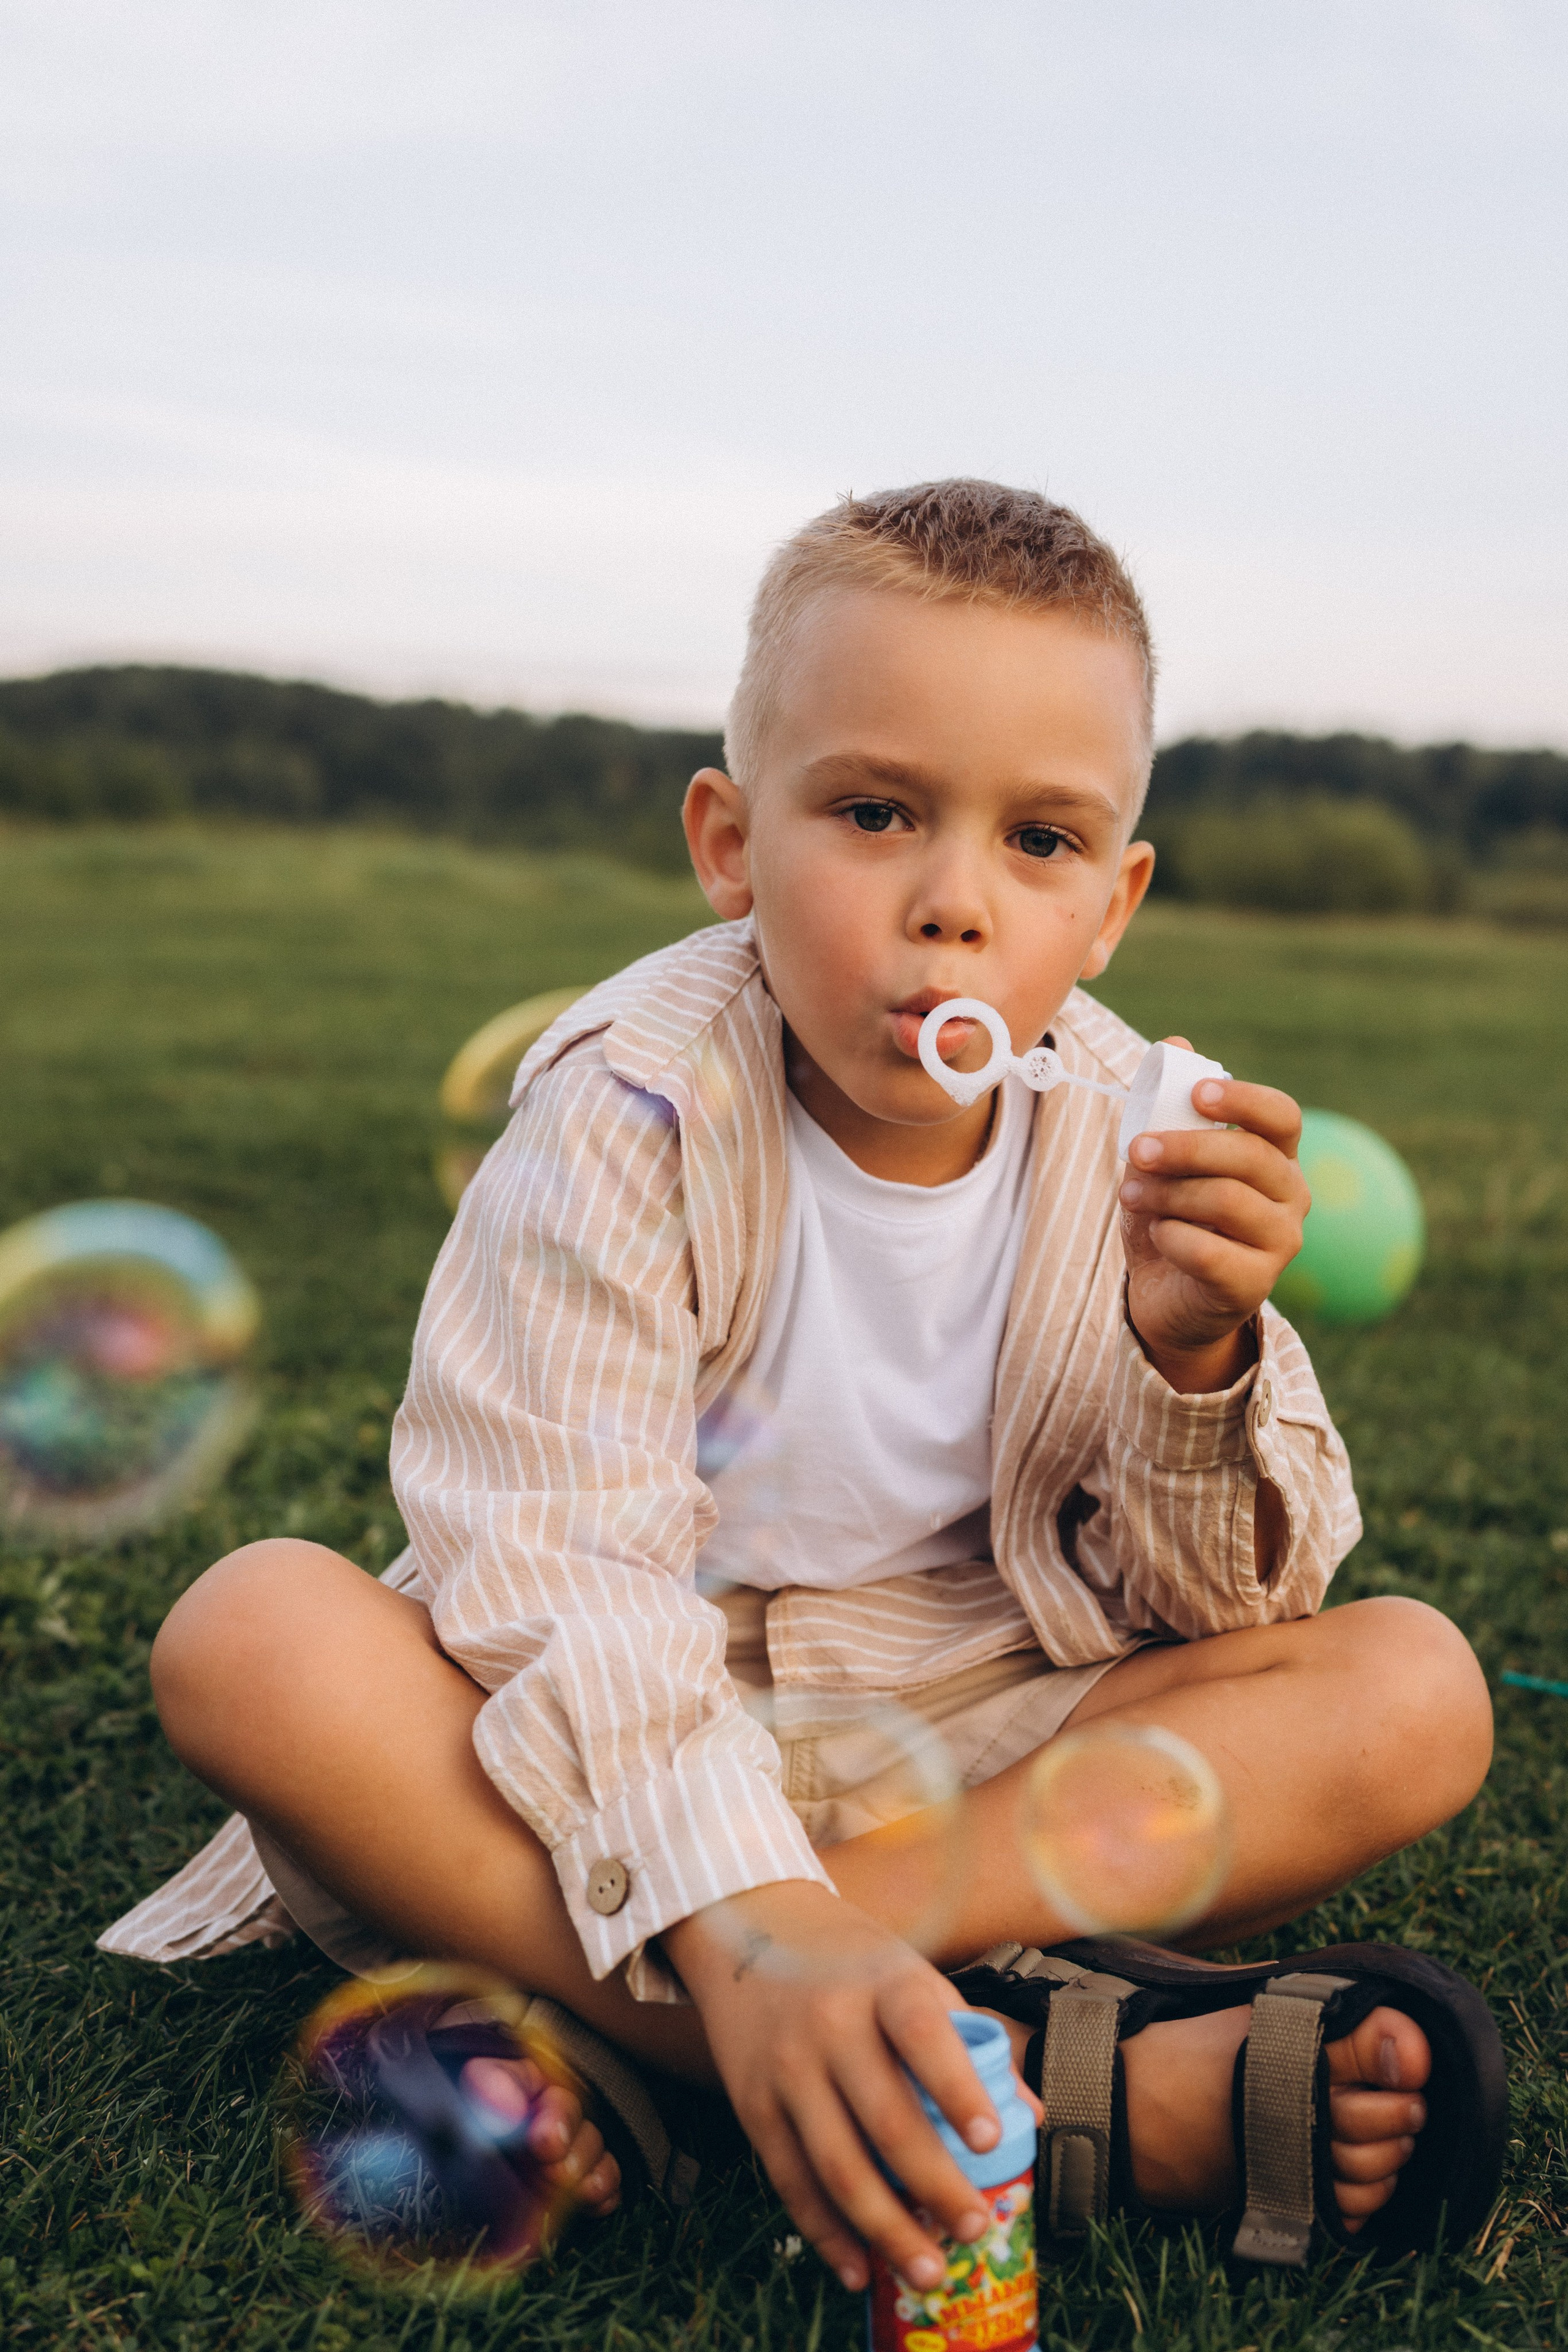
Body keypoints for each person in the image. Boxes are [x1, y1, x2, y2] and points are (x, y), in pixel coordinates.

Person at [104, 480, 1499, 2293]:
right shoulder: (634, 1110)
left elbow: (1221, 1610)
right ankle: (1002, 2082)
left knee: (1411, 1690)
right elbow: (557, 1573)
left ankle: (657, 2033)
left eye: (1043, 844)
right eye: (875, 813)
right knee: (256, 1639)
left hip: (972, 1747)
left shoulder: (1133, 1134)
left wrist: (1194, 1353)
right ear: (730, 842)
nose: (953, 907)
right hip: (599, 1752)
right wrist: (743, 1917)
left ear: (1118, 906)